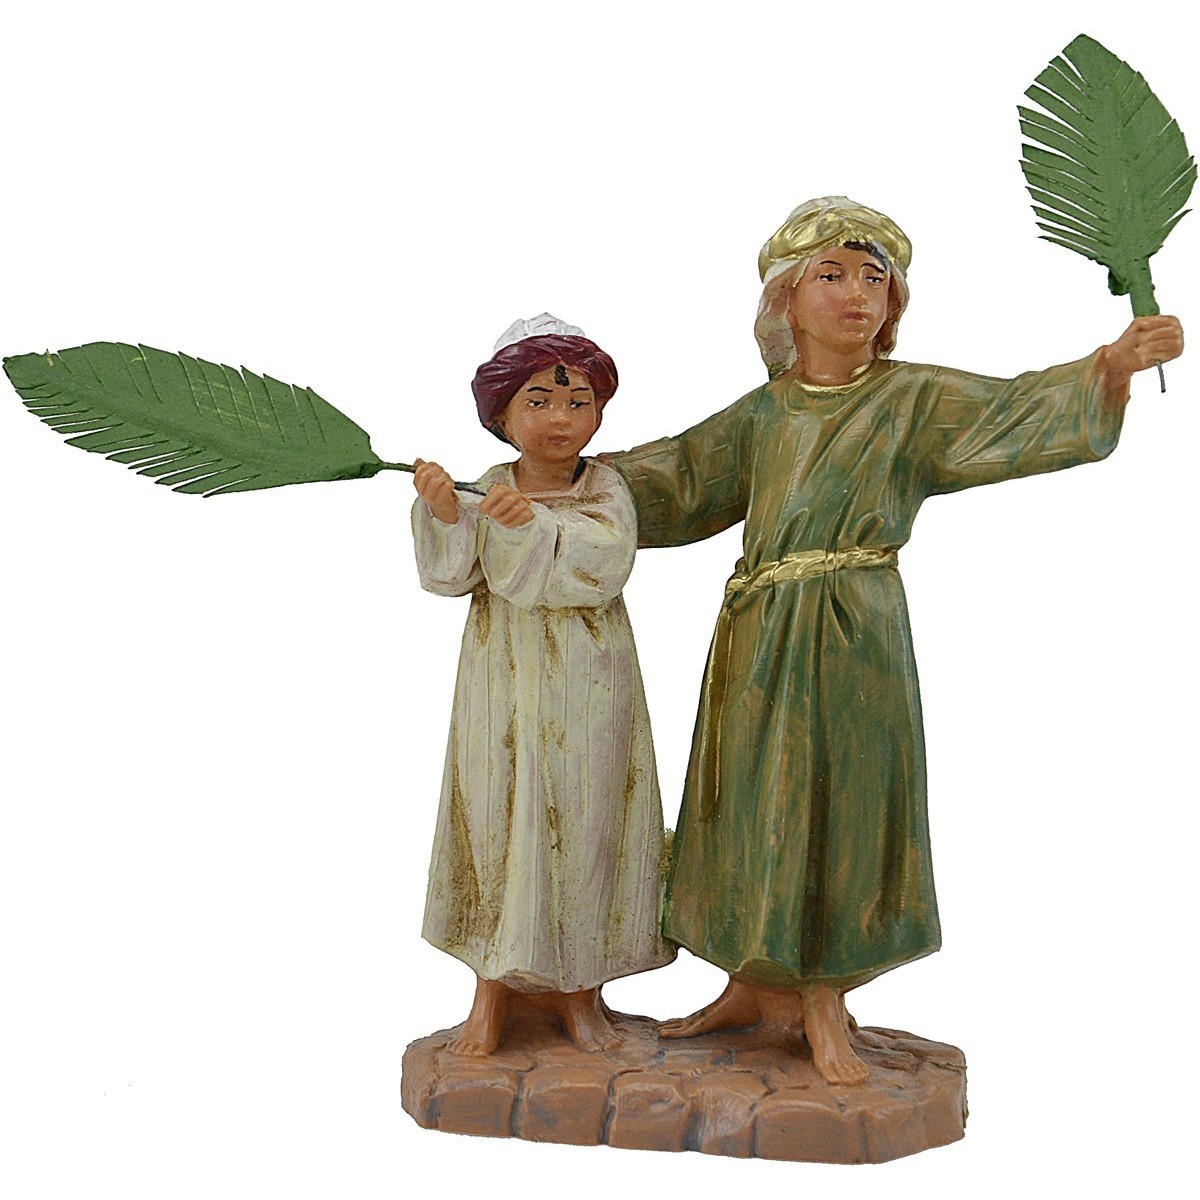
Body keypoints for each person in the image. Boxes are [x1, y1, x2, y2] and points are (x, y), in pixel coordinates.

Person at [606, 197, 1184, 1085]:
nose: (856, 295)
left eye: (874, 280)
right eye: (832, 276)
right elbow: (677, 476)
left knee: (843, 798)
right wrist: (561, 483)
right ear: (786, 300)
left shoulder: (912, 400)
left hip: (854, 631)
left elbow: (1011, 410)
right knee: (750, 797)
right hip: (759, 636)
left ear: (894, 304)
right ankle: (752, 986)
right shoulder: (763, 415)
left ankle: (823, 994)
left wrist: (1108, 366)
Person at [411, 314, 674, 1055]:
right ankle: (491, 996)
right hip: (503, 683)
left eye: (578, 402)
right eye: (540, 401)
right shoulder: (488, 488)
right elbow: (450, 575)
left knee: (587, 822)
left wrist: (530, 528)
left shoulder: (605, 490)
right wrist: (447, 515)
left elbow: (603, 563)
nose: (561, 418)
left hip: (590, 679)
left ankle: (581, 996)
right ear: (502, 414)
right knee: (496, 820)